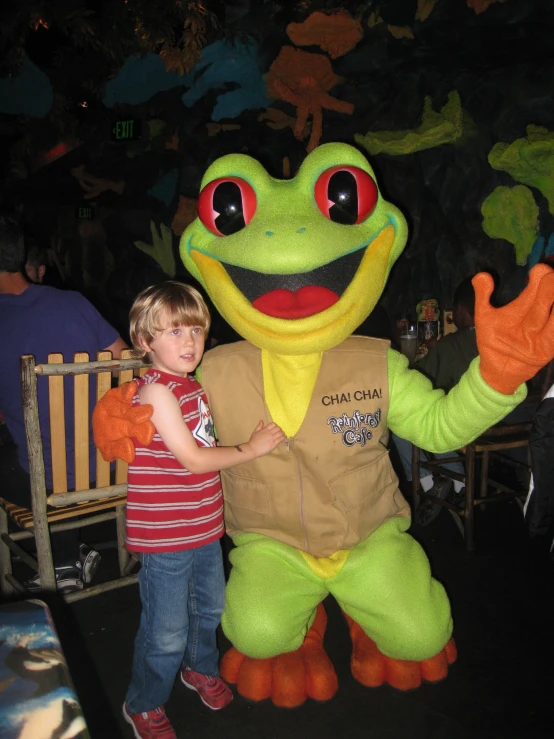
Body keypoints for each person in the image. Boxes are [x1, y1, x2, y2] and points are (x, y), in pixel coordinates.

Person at [122, 281, 285, 739]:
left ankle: (199, 669)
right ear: (144, 340)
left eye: (194, 329)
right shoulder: (156, 393)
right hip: (166, 534)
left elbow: (203, 442)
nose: (189, 341)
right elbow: (194, 460)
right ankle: (144, 702)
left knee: (208, 608)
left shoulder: (189, 386)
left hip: (202, 525)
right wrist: (250, 450)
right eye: (173, 332)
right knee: (165, 628)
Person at [0, 212, 128, 592]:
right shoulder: (74, 303)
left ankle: (63, 562)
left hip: (46, 483)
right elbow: (126, 362)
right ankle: (70, 554)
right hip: (109, 468)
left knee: (23, 454)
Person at [392, 277, 478, 524]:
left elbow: (421, 378)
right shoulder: (498, 339)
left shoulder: (452, 344)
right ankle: (457, 485)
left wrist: (430, 351)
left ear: (459, 311)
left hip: (466, 423)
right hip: (502, 422)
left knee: (402, 420)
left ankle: (434, 483)